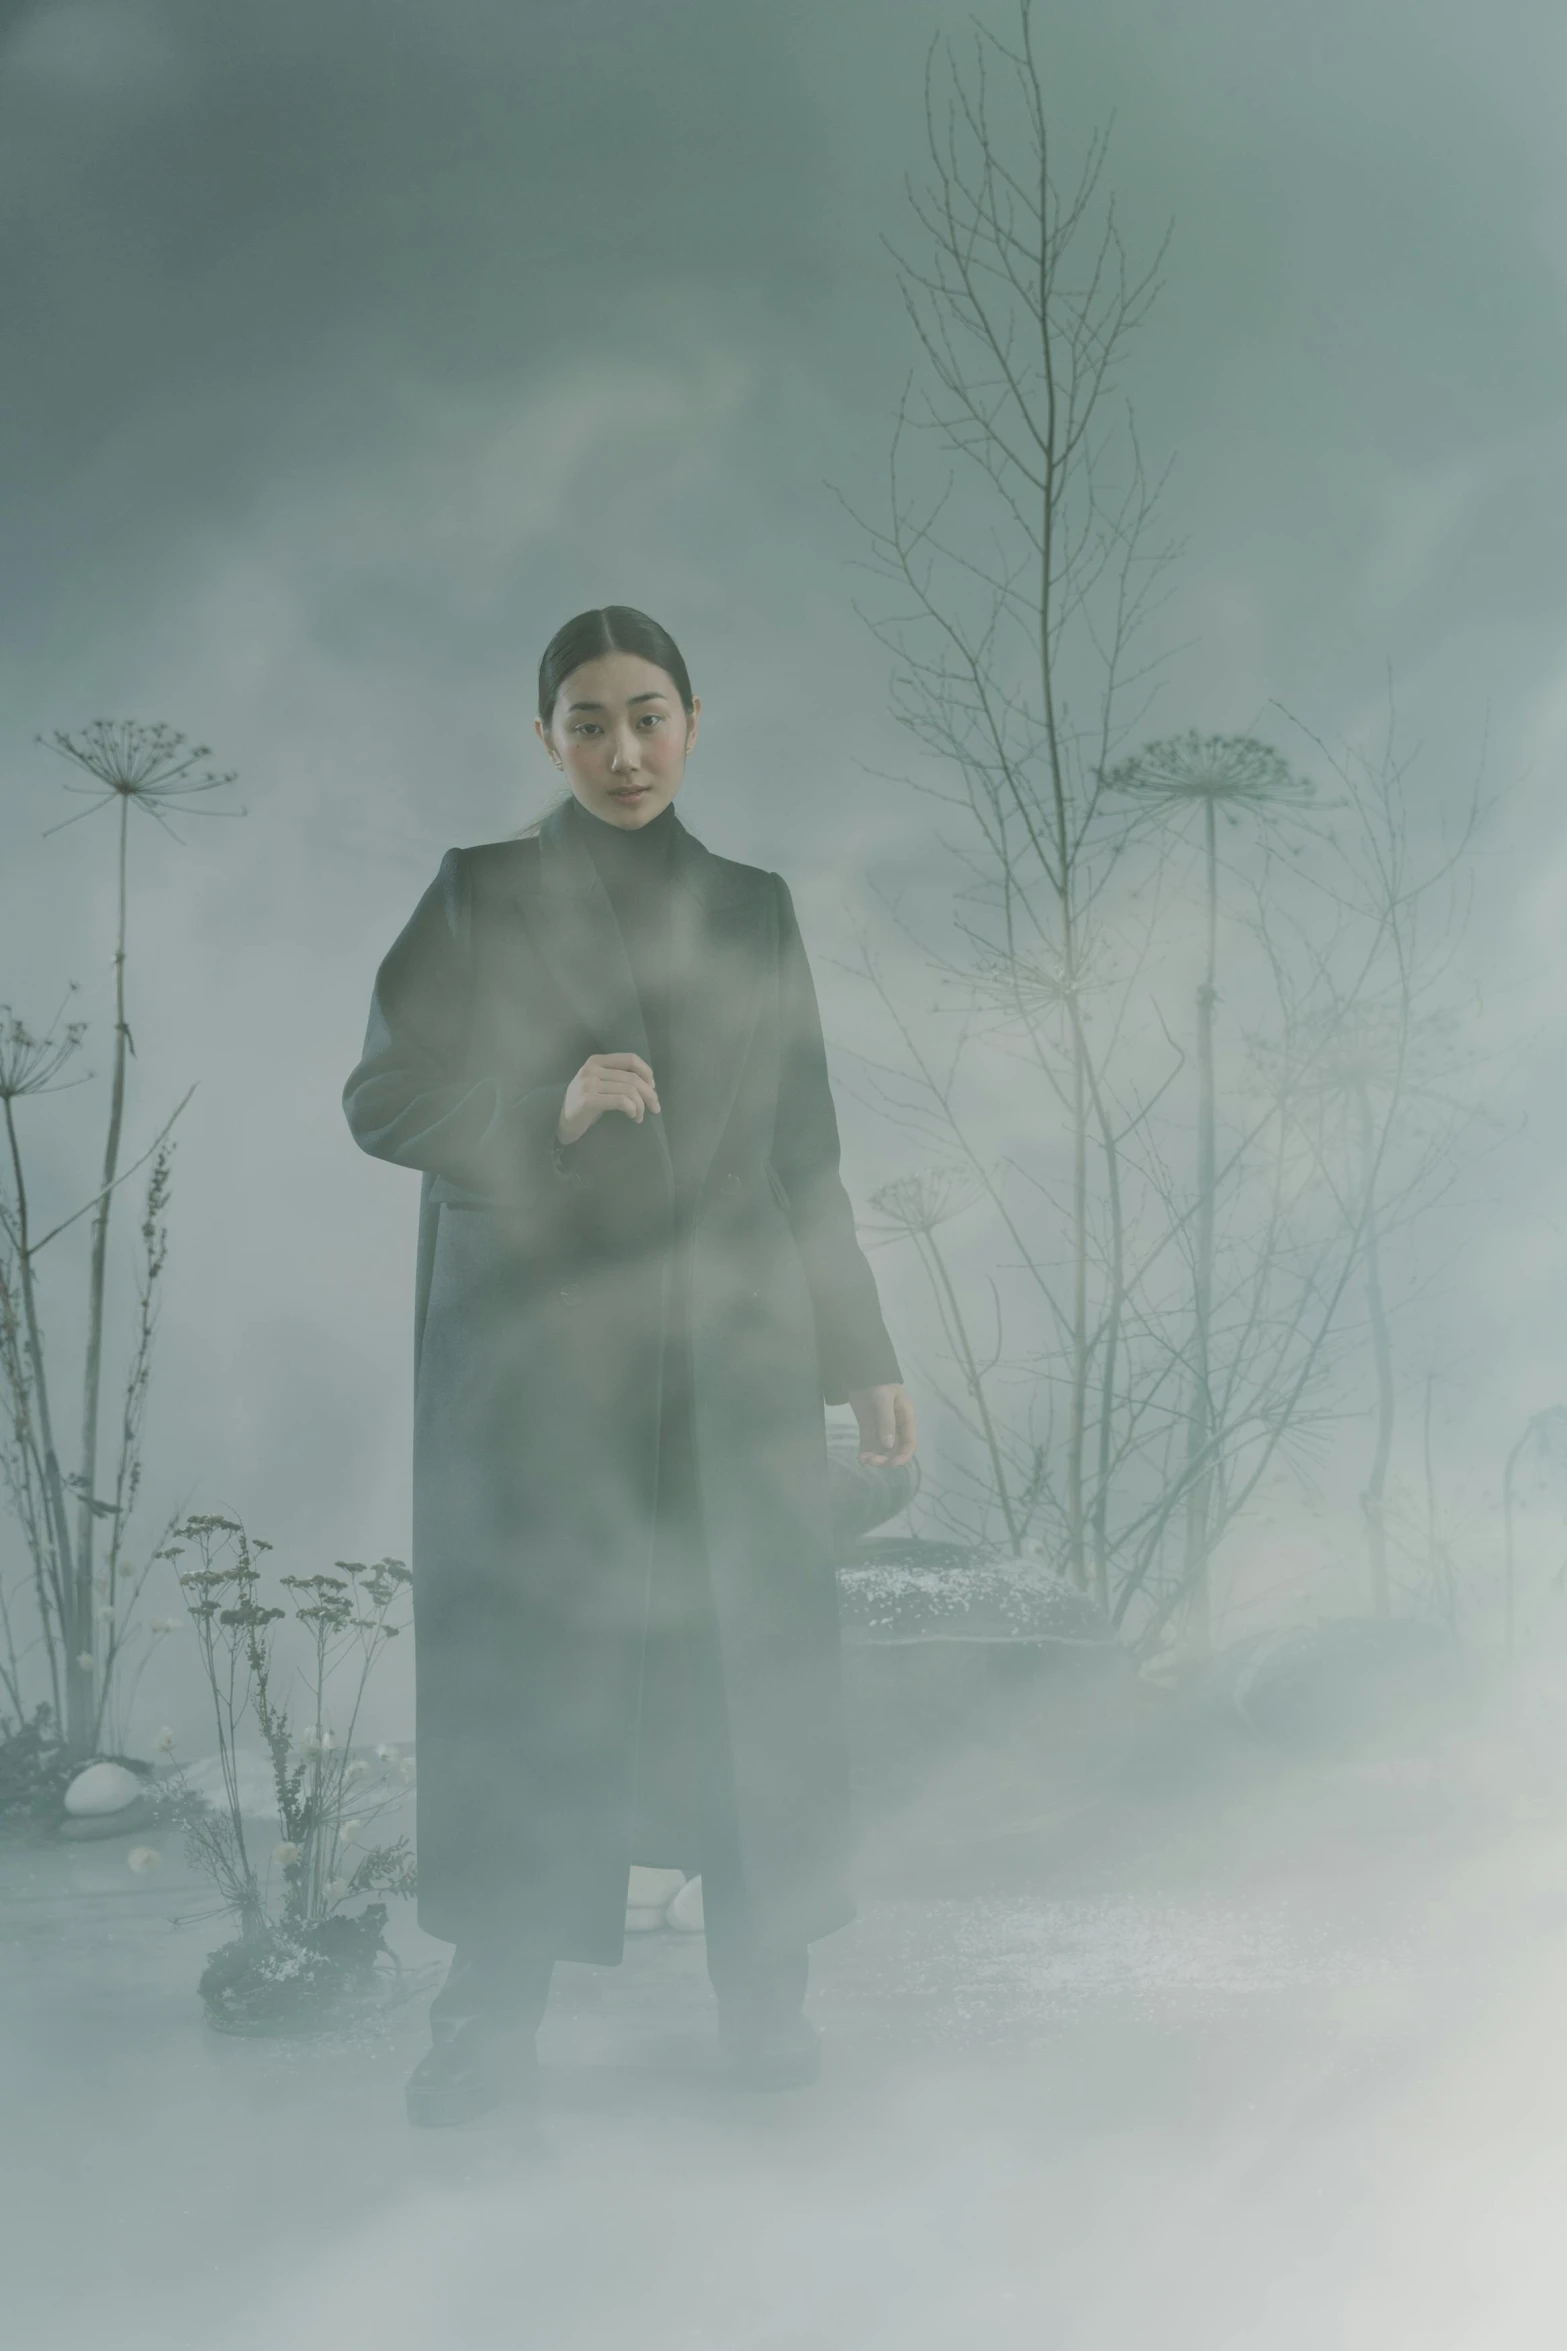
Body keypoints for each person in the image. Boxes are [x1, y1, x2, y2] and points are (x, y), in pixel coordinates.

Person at [343, 605, 916, 2127]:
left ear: (693, 719)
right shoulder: (480, 891)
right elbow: (382, 1093)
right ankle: (487, 2018)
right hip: (535, 1375)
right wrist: (547, 1102)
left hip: (732, 1357)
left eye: (648, 714)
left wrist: (863, 1356)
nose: (622, 750)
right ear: (546, 738)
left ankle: (761, 1993)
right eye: (588, 722)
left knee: (746, 1665)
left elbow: (804, 1154)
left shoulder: (752, 906)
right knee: (533, 1680)